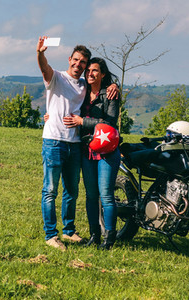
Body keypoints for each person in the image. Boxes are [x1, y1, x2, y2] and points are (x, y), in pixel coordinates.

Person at [36, 36, 90, 251]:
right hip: (54, 142)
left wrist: (113, 84)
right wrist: (40, 53)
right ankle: (51, 235)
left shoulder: (85, 84)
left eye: (82, 62)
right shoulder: (56, 77)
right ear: (69, 59)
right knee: (50, 190)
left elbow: (101, 83)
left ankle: (68, 231)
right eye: (75, 60)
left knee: (71, 191)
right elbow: (44, 68)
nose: (78, 65)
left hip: (74, 143)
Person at [65, 57, 121, 250]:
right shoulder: (82, 91)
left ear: (102, 74)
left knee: (106, 195)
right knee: (90, 195)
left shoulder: (110, 94)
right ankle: (94, 235)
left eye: (95, 70)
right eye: (88, 70)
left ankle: (109, 238)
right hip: (86, 150)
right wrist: (51, 115)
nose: (90, 73)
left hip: (107, 151)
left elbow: (109, 123)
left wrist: (83, 122)